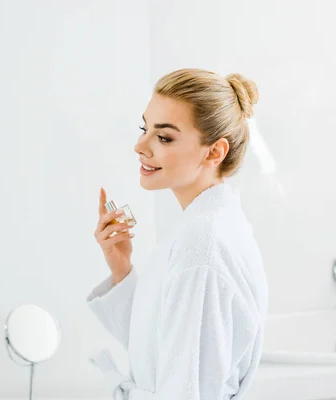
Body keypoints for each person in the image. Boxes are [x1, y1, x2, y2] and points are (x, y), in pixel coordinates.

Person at [86, 68, 268, 399]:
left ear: (214, 152)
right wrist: (121, 268)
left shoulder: (202, 245)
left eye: (164, 137)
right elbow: (162, 350)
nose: (140, 146)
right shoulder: (208, 225)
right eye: (145, 129)